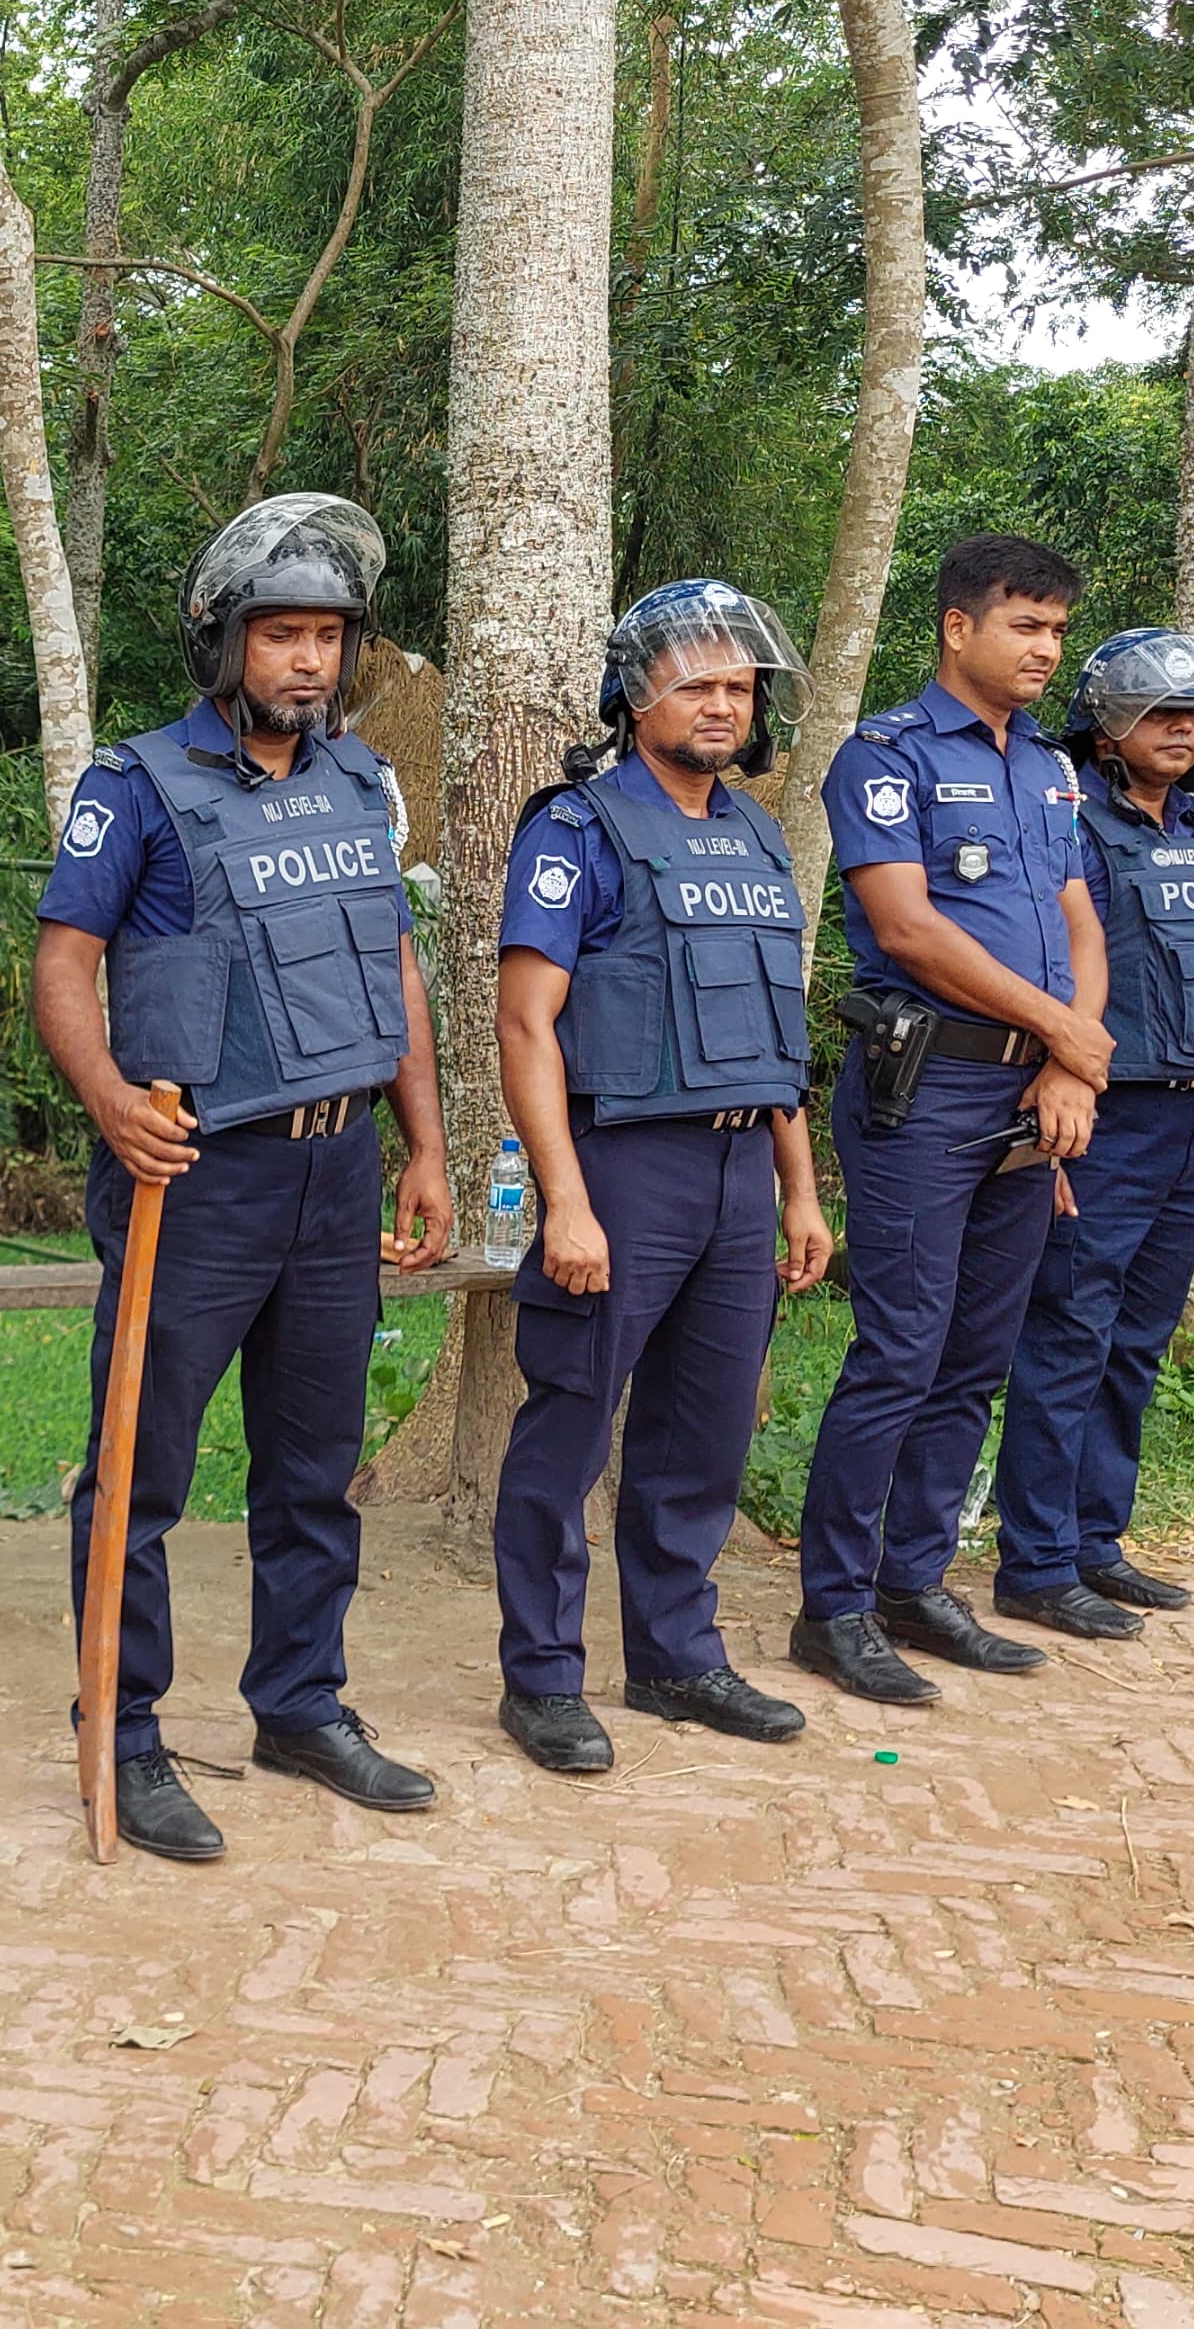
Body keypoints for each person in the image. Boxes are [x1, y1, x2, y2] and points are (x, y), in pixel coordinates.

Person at [31, 492, 454, 1866]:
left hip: (336, 1173)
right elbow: (64, 965)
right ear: (222, 640)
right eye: (283, 633)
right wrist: (109, 1107)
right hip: (195, 1180)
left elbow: (394, 963)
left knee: (314, 1466)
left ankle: (300, 1703)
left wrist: (427, 1147)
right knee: (139, 1473)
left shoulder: (356, 783)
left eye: (329, 636)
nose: (311, 662)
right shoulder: (136, 785)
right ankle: (128, 1735)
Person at [482, 581, 840, 1775]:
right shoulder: (575, 830)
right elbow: (526, 1025)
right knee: (570, 1424)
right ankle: (539, 1678)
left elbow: (769, 1029)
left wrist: (797, 1186)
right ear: (635, 697)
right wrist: (564, 1197)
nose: (721, 705)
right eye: (695, 683)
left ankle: (677, 1658)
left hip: (742, 1164)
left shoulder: (749, 833)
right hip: (625, 1163)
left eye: (738, 685)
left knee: (700, 1434)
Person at [791, 534, 1116, 1706]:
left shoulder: (1049, 769)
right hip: (922, 1090)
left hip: (1031, 1095)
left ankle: (911, 1580)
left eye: (1055, 629)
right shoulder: (884, 756)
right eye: (1023, 624)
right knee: (900, 1346)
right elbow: (910, 927)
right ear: (955, 626)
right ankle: (830, 1606)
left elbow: (1081, 921)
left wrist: (1071, 1064)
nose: (1044, 649)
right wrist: (1067, 1034)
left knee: (975, 1354)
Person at [988, 630, 1194, 1635]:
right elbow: (1043, 975)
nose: (1180, 730)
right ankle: (1031, 1560)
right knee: (1067, 1332)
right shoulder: (1068, 824)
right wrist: (1043, 1116)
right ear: (1104, 729)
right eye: (1159, 714)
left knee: (1134, 1343)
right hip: (1096, 1119)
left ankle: (1093, 1542)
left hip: (1192, 1121)